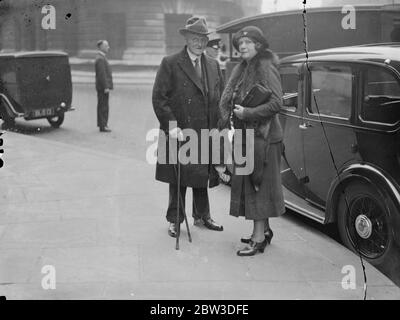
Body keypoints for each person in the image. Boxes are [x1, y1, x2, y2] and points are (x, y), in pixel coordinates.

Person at [152, 16, 225, 237]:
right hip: (180, 131)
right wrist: (171, 126)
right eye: (195, 38)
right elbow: (159, 98)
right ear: (187, 38)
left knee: (202, 176)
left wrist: (220, 127)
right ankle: (175, 219)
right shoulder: (171, 63)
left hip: (204, 131)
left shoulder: (213, 65)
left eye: (203, 39)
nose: (200, 43)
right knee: (178, 179)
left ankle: (202, 216)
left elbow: (219, 99)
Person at [218, 26, 285, 256]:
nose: (242, 46)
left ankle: (257, 240)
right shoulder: (244, 68)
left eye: (247, 42)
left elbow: (277, 103)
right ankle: (264, 231)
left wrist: (247, 113)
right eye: (240, 43)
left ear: (258, 44)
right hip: (247, 136)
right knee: (253, 185)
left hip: (263, 138)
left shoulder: (265, 67)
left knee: (258, 186)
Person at [95, 40, 113, 132]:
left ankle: (102, 124)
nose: (108, 48)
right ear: (101, 47)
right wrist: (106, 87)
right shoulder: (100, 59)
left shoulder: (101, 57)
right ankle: (103, 125)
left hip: (102, 87)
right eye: (106, 46)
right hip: (103, 88)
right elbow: (102, 75)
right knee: (103, 106)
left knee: (102, 105)